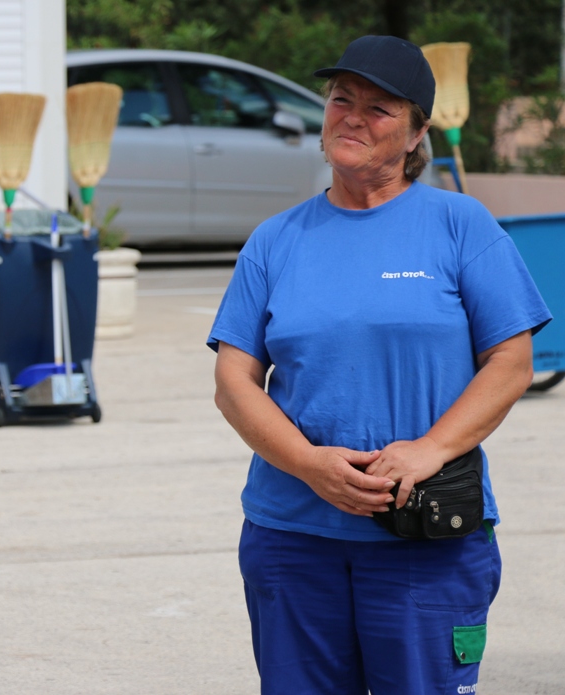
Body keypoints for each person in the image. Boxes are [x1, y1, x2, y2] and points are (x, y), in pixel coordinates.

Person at [208, 35, 551, 695]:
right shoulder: (276, 239)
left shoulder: (460, 225)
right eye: (342, 100)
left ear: (420, 130)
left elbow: (510, 361)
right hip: (293, 537)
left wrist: (428, 448)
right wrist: (310, 465)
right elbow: (233, 382)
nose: (353, 117)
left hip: (426, 539)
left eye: (380, 108)